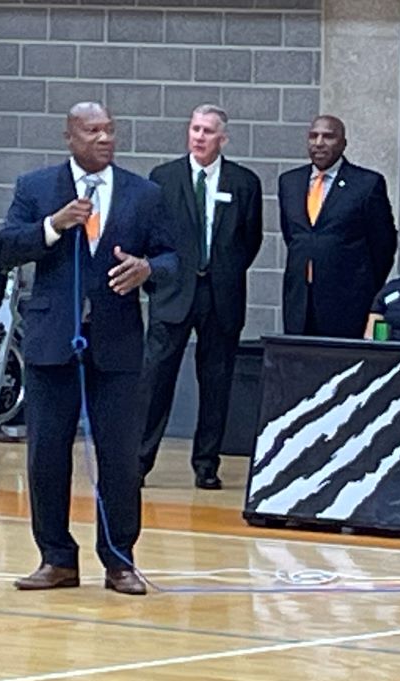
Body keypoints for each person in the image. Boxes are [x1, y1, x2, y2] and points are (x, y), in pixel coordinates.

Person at [0, 102, 178, 595]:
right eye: (92, 130)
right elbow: (7, 247)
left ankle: (119, 559)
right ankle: (56, 558)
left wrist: (149, 270)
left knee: (120, 457)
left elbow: (173, 257)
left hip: (116, 347)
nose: (104, 138)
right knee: (47, 455)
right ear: (69, 137)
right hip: (53, 343)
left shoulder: (145, 194)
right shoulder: (35, 187)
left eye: (110, 130)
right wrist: (53, 226)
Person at [139, 104, 263, 490]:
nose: (199, 137)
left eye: (208, 131)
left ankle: (207, 463)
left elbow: (251, 239)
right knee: (156, 378)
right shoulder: (163, 177)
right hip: (173, 293)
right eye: (194, 129)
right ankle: (138, 461)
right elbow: (150, 236)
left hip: (220, 294)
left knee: (216, 382)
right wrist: (157, 281)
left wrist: (224, 270)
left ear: (222, 138)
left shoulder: (244, 182)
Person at [278, 115, 396, 338]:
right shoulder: (290, 182)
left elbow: (383, 245)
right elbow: (293, 236)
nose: (319, 143)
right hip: (300, 298)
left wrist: (364, 285)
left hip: (346, 298)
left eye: (328, 136)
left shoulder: (366, 184)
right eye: (313, 136)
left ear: (343, 143)